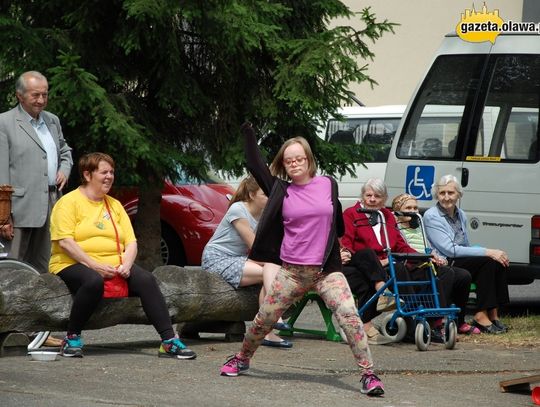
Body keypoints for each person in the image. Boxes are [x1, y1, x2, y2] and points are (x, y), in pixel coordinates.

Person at [219, 123, 384, 397]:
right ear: (284, 164)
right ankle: (242, 358)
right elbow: (253, 162)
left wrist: (339, 247)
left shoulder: (328, 184)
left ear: (309, 160)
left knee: (349, 316)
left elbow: (336, 224)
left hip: (325, 271)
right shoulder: (280, 189)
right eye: (289, 160)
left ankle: (369, 374)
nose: (295, 163)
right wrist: (248, 130)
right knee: (264, 319)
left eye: (300, 158)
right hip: (292, 272)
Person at [49, 152, 196, 359]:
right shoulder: (68, 203)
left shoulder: (115, 205)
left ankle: (169, 340)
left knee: (146, 280)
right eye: (104, 172)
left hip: (113, 262)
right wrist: (94, 265)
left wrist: (127, 264)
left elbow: (131, 242)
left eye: (112, 172)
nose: (109, 176)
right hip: (71, 262)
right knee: (92, 281)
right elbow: (65, 242)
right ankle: (72, 337)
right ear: (88, 175)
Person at [0, 70, 73, 348]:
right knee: (13, 269)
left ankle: (38, 331)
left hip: (50, 206)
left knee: (43, 270)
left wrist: (64, 169)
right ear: (20, 96)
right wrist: (3, 216)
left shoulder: (52, 121)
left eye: (45, 94)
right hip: (17, 209)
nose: (41, 100)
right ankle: (9, 327)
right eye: (35, 95)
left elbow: (65, 151)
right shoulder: (5, 123)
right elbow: (1, 173)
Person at [340, 178, 453, 342]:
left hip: (388, 262)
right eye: (368, 195)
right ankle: (386, 294)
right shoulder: (351, 213)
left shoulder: (387, 215)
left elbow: (400, 245)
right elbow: (346, 242)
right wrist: (347, 252)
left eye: (377, 196)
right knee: (369, 254)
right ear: (362, 196)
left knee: (428, 269)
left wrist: (423, 256)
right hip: (362, 261)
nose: (372, 199)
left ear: (384, 198)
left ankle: (436, 322)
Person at [202, 176, 292, 348]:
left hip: (240, 258)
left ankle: (265, 331)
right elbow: (256, 248)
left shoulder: (266, 214)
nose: (270, 198)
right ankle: (272, 318)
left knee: (272, 269)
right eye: (265, 194)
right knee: (272, 270)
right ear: (251, 195)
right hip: (217, 258)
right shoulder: (238, 210)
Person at [423, 174, 510, 334]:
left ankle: (493, 315)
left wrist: (488, 253)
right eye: (442, 193)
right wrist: (488, 252)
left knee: (497, 261)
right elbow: (450, 249)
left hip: (460, 257)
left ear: (458, 195)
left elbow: (465, 244)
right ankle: (480, 315)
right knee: (488, 260)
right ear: (437, 195)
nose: (446, 197)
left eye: (451, 193)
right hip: (446, 260)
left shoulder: (460, 214)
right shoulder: (431, 216)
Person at [391, 193, 479, 335]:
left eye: (415, 207)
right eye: (408, 207)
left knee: (463, 276)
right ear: (397, 210)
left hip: (426, 261)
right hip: (411, 264)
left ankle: (459, 320)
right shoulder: (395, 227)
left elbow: (428, 246)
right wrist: (426, 258)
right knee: (444, 273)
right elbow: (402, 249)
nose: (412, 211)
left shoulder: (418, 224)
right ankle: (435, 321)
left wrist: (436, 256)